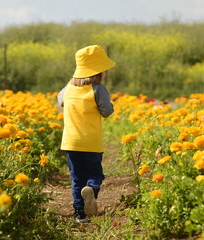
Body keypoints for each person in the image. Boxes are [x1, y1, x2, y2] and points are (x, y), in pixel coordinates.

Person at [57, 45, 115, 223]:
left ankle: (79, 215)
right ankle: (91, 188)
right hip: (90, 142)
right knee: (95, 174)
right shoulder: (97, 89)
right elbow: (107, 111)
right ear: (98, 71)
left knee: (76, 179)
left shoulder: (68, 89)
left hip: (70, 143)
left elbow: (60, 101)